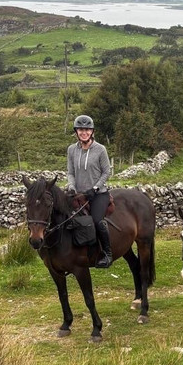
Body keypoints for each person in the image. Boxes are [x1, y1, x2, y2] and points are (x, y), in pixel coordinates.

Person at [66, 114, 114, 268]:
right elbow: (70, 172)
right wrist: (72, 186)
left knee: (96, 221)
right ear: (76, 132)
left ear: (92, 132)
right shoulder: (71, 150)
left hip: (98, 194)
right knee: (65, 218)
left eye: (87, 129)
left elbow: (106, 172)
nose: (84, 132)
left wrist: (95, 187)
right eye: (81, 130)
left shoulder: (100, 149)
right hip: (79, 193)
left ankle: (107, 253)